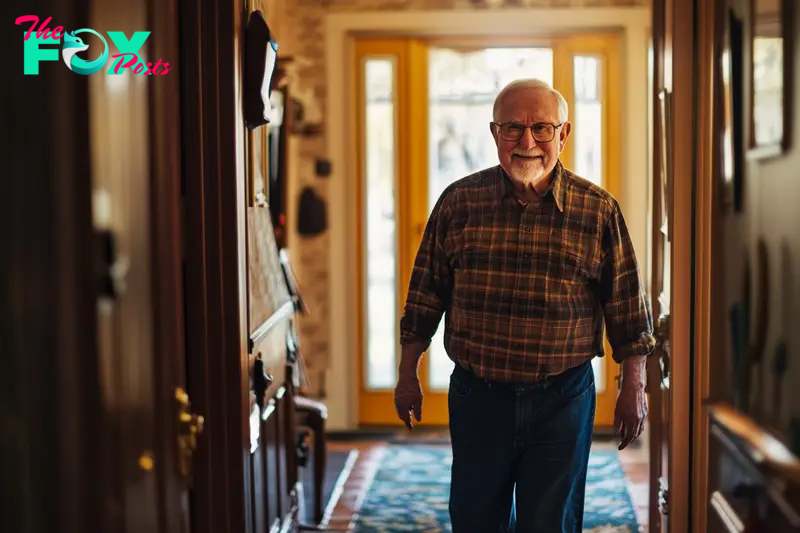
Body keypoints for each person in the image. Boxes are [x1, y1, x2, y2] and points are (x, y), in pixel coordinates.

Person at [394, 78, 655, 533]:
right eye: (513, 128)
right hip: (478, 398)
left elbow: (627, 308)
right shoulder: (459, 203)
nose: (528, 142)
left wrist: (634, 385)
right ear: (494, 133)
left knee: (550, 522)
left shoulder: (598, 211)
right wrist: (406, 373)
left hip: (562, 398)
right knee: (476, 519)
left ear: (564, 134)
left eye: (542, 128)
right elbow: (424, 295)